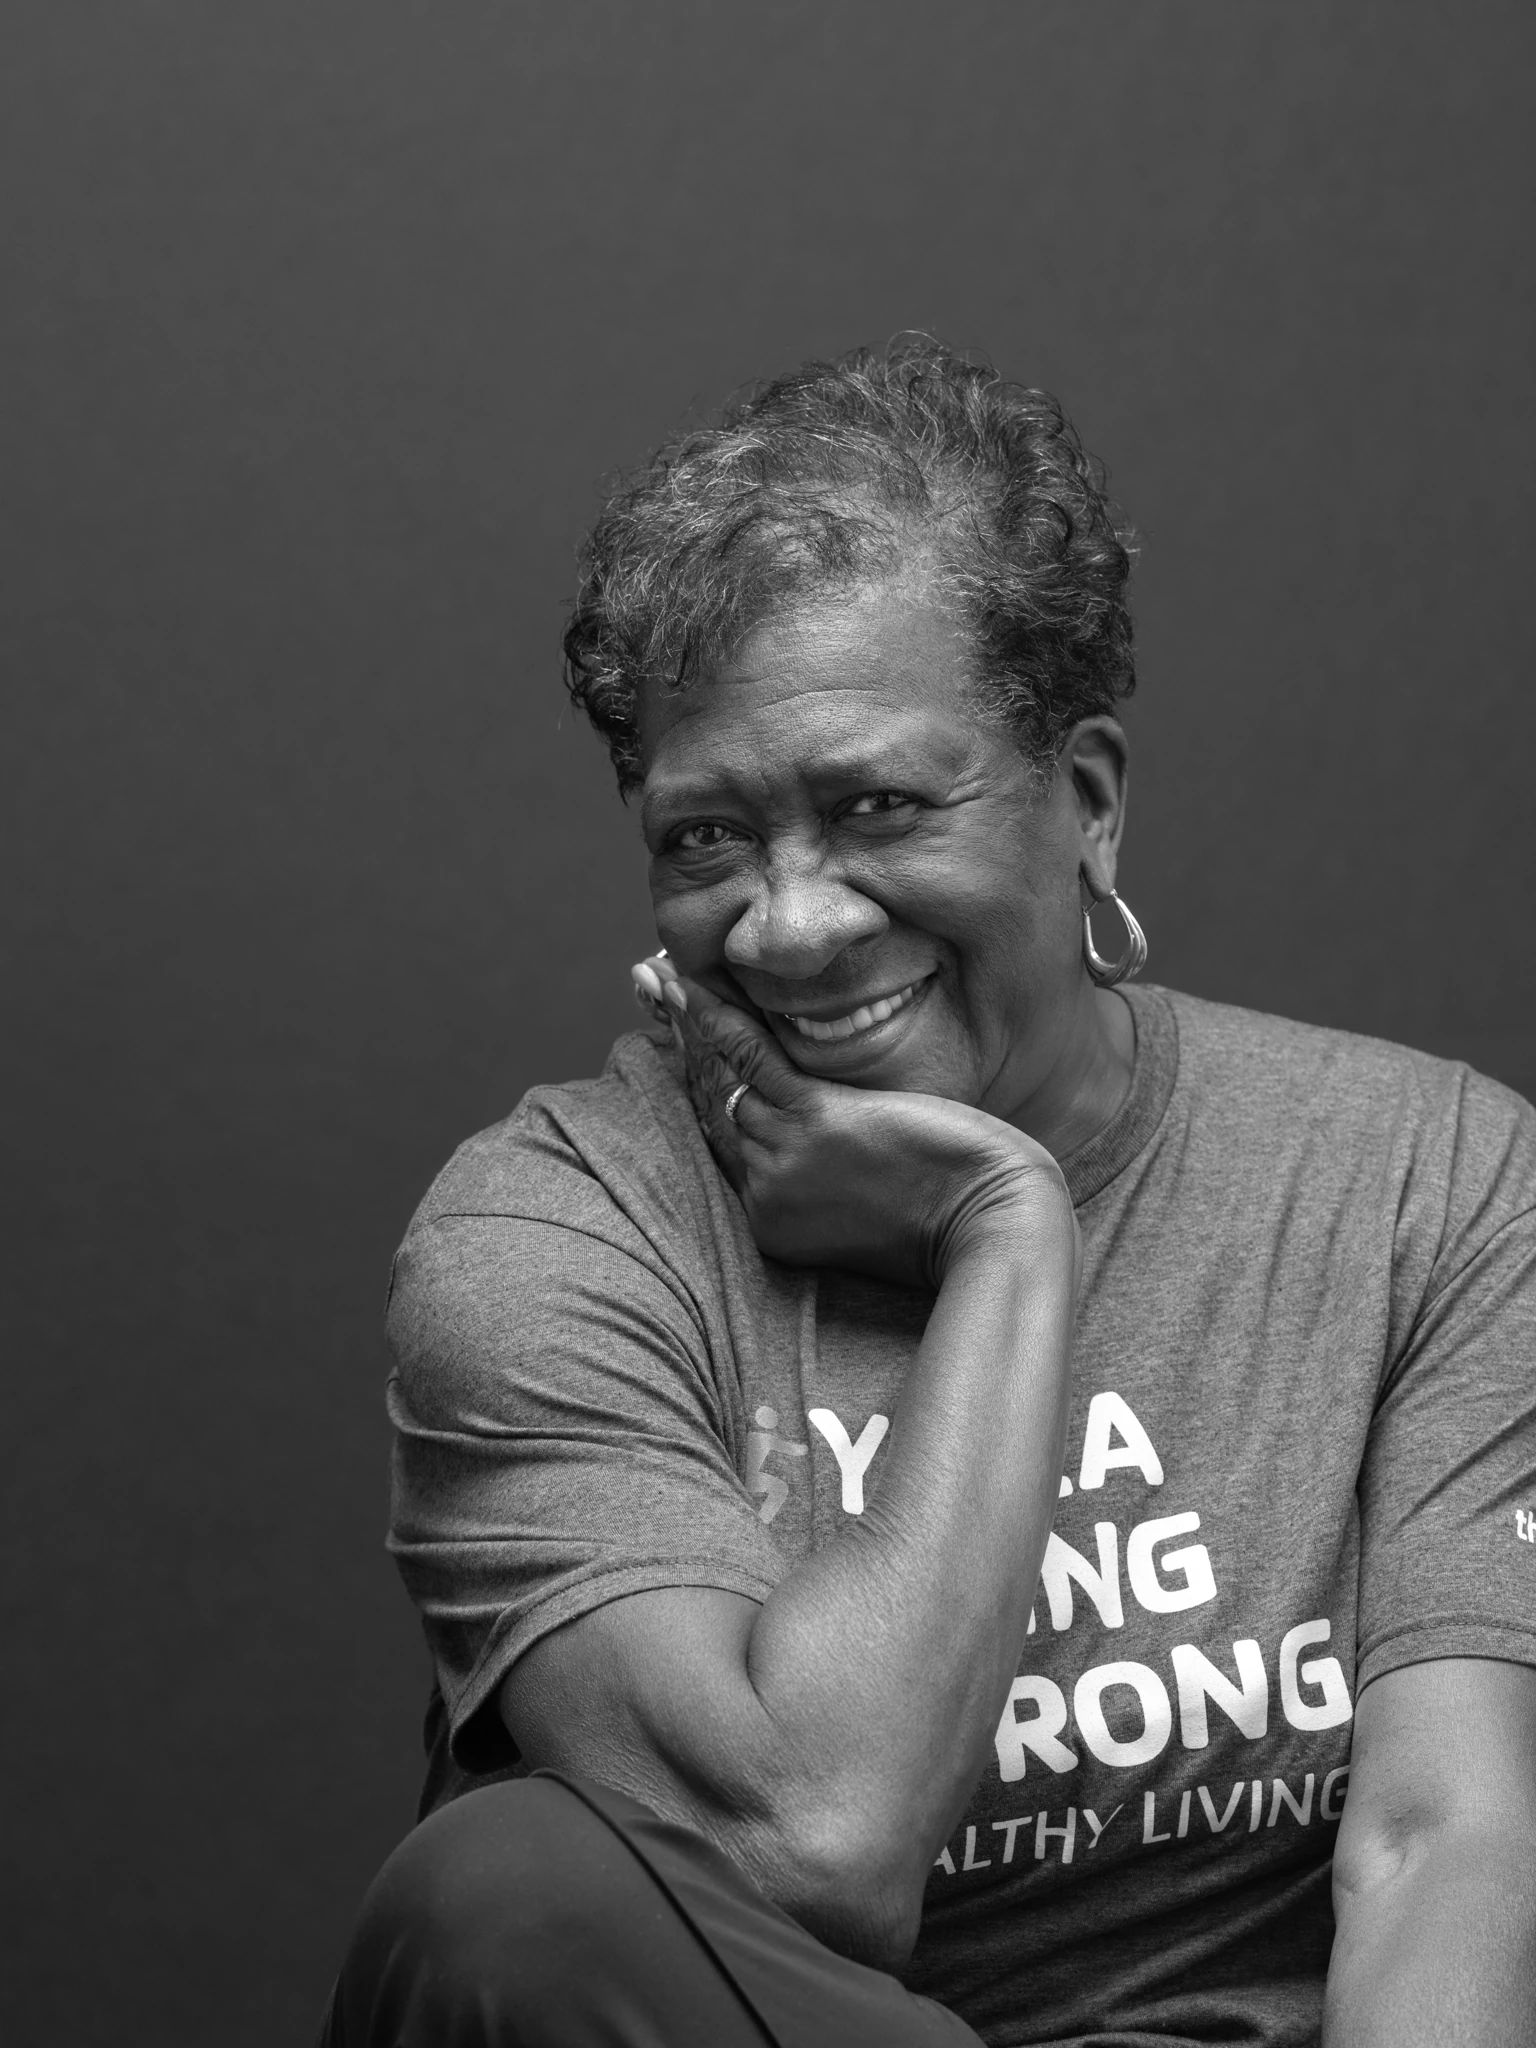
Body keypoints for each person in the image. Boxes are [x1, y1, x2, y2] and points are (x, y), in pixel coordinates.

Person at [321, 339, 1536, 2047]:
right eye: (706, 840)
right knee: (505, 1892)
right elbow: (815, 1840)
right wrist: (1007, 1234)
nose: (790, 922)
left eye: (877, 806)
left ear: (1088, 802)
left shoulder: (1427, 1183)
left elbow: (1444, 1853)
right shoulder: (555, 1240)